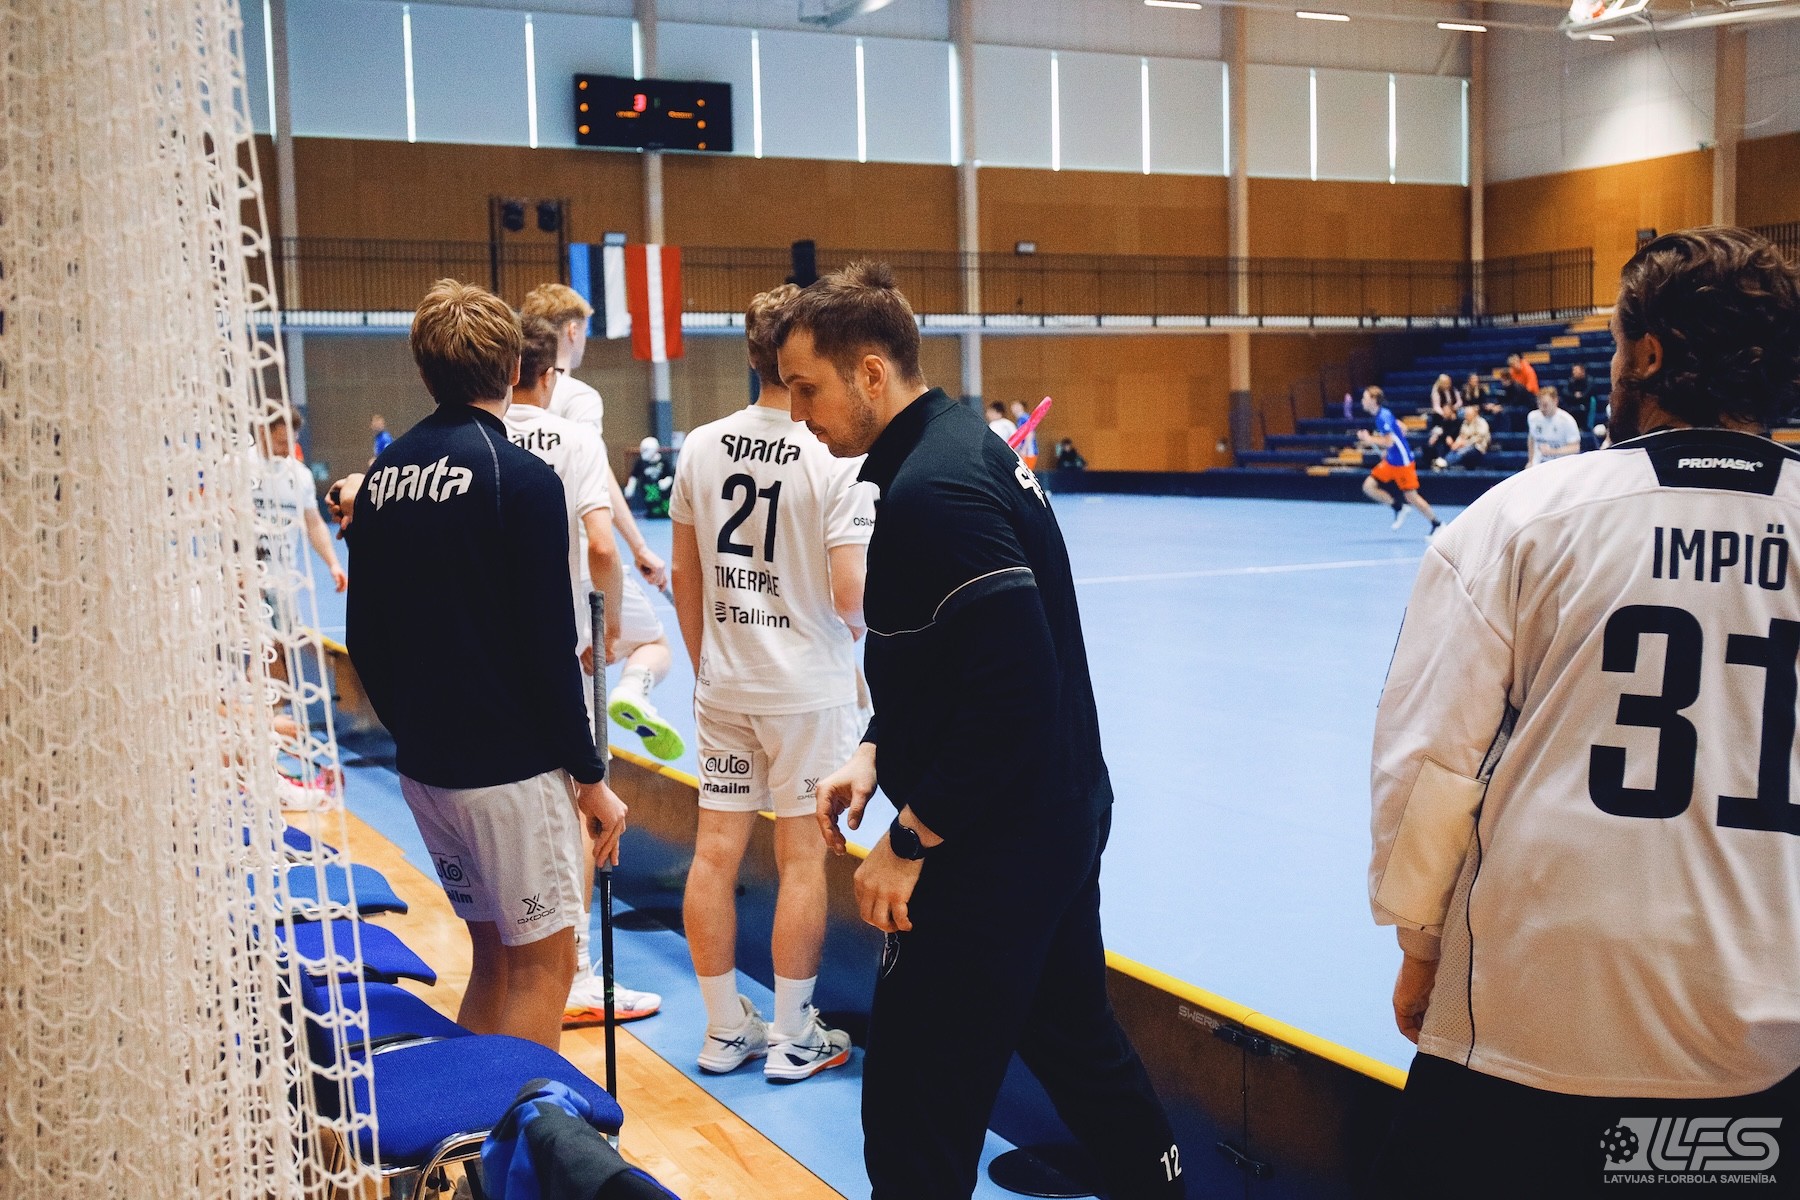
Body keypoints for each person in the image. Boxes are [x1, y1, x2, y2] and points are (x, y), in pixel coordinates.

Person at [1367, 227, 1800, 1198]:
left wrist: (1420, 946)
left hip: (1532, 1011)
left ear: (1647, 354)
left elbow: (1430, 769)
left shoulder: (1519, 521)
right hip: (1768, 1030)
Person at [779, 262, 1182, 1200]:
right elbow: (955, 657)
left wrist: (910, 839)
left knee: (914, 1105)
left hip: (989, 847)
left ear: (870, 373)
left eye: (807, 389)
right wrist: (878, 748)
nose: (799, 415)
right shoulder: (965, 449)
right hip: (1053, 816)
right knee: (1074, 1039)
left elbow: (1014, 692)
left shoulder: (937, 491)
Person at [340, 279, 627, 1051]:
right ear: (515, 367)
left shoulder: (383, 478)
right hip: (510, 778)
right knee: (543, 971)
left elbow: (365, 637)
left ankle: (467, 1121)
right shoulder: (521, 479)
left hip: (427, 771)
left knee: (495, 962)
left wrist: (421, 731)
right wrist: (590, 777)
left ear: (423, 371)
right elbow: (548, 646)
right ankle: (519, 1127)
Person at [668, 284, 874, 1082]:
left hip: (725, 685)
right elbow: (853, 598)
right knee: (801, 862)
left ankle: (725, 1029)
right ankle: (793, 1036)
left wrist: (708, 666)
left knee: (714, 854)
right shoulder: (833, 453)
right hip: (807, 691)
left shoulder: (701, 445)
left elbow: (686, 576)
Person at [504, 315, 663, 1027]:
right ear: (549, 373)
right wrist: (610, 625)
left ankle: (533, 961)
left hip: (496, 654)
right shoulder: (574, 434)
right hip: (568, 637)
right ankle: (578, 974)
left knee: (525, 804)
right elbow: (601, 545)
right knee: (581, 800)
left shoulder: (477, 436)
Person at [521, 283, 685, 761]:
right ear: (573, 331)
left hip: (520, 571)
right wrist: (638, 546)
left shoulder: (499, 402)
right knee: (649, 643)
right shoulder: (579, 398)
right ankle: (631, 692)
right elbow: (595, 479)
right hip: (580, 562)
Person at [254, 406, 347, 597]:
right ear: (263, 432)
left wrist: (333, 564)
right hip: (242, 584)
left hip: (283, 584)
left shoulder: (301, 475)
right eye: (282, 442)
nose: (288, 450)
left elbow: (314, 523)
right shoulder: (236, 465)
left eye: (292, 442)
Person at [1356, 386, 1441, 534]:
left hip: (1402, 463)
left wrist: (1369, 439)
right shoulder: (1383, 414)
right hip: (1391, 461)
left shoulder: (1382, 417)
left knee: (1411, 496)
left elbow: (1389, 441)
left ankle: (1437, 524)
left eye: (1365, 398)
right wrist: (1389, 451)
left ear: (1373, 400)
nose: (1362, 401)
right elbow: (1403, 428)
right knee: (1368, 486)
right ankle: (1399, 508)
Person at [1525, 385, 1581, 469]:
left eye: (1545, 405)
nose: (1542, 408)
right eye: (1539, 404)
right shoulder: (1533, 417)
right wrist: (1530, 461)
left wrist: (1553, 451)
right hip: (1539, 465)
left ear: (1555, 401)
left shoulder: (1566, 420)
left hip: (1560, 466)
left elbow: (1575, 447)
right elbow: (1531, 439)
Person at [624, 436, 673, 518]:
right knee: (654, 511)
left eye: (646, 450)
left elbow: (670, 475)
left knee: (666, 509)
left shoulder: (663, 462)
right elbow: (634, 476)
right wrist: (630, 487)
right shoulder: (640, 462)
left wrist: (666, 481)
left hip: (664, 492)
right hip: (649, 490)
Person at [1432, 403, 1490, 471]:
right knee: (1454, 449)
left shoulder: (1481, 422)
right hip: (1465, 444)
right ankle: (1443, 462)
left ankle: (1445, 464)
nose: (1466, 416)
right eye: (1466, 414)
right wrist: (1457, 443)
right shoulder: (1465, 422)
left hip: (1478, 446)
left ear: (1474, 414)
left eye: (1468, 414)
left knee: (1463, 451)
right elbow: (1461, 435)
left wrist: (1466, 443)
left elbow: (1479, 437)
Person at [1422, 375, 1461, 456]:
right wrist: (1445, 413)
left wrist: (1452, 409)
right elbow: (1436, 407)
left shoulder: (1453, 389)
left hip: (1452, 411)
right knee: (1437, 435)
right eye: (1445, 383)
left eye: (1448, 382)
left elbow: (1459, 402)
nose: (1447, 384)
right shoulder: (1436, 391)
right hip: (1441, 414)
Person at [1009, 399, 1039, 469]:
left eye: (1016, 406)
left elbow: (1030, 433)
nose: (1014, 408)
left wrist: (1024, 449)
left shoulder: (1024, 418)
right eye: (1012, 406)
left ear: (1021, 406)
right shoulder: (1020, 419)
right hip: (1027, 450)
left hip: (1029, 451)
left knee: (1027, 472)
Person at [1566, 362, 1593, 428]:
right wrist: (1574, 396)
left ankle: (1586, 427)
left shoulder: (1589, 380)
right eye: (1573, 370)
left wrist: (1581, 395)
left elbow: (1588, 392)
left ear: (1582, 371)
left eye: (1576, 370)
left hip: (1586, 403)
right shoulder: (1571, 381)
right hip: (1573, 403)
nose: (1574, 372)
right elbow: (1565, 392)